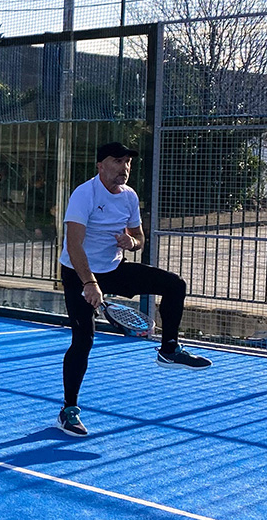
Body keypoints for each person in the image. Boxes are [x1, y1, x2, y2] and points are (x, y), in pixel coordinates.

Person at [57, 141, 211, 438]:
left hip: (114, 269)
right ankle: (68, 410)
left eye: (127, 162)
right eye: (118, 161)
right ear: (100, 165)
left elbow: (139, 237)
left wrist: (132, 243)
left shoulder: (129, 196)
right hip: (78, 273)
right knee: (83, 341)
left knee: (174, 285)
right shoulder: (84, 194)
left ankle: (169, 349)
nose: (124, 168)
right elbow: (73, 245)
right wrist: (89, 283)